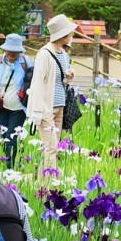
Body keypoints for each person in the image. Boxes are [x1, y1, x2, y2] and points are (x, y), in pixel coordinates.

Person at [27, 14, 77, 179]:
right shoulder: (45, 54)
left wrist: (68, 76)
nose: (71, 35)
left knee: (53, 146)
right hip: (45, 107)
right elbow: (38, 82)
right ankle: (50, 182)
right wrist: (36, 111)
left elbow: (57, 78)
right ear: (62, 35)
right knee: (51, 147)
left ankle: (42, 180)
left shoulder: (63, 53)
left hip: (60, 105)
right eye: (69, 32)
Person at [0, 34, 32, 170]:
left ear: (20, 51)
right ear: (4, 50)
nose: (12, 55)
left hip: (18, 108)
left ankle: (10, 168)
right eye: (9, 52)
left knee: (11, 138)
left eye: (15, 52)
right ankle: (7, 161)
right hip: (2, 106)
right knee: (1, 137)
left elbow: (32, 78)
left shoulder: (25, 61)